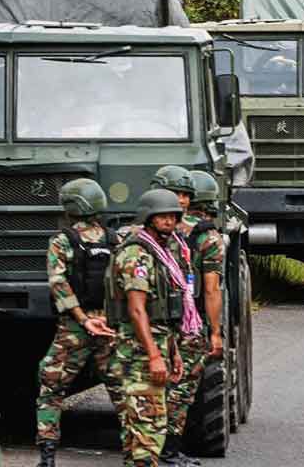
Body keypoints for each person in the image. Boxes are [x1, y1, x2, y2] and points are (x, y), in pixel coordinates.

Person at [35, 179, 124, 467]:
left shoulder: (62, 241)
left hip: (75, 327)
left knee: (51, 388)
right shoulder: (115, 239)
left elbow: (58, 284)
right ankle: (141, 452)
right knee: (123, 390)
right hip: (110, 325)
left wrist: (83, 319)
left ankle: (47, 456)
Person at [107, 189, 190, 467]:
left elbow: (162, 314)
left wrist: (172, 352)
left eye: (172, 216)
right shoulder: (137, 255)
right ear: (148, 218)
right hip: (138, 353)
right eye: (162, 216)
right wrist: (154, 355)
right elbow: (137, 309)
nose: (169, 221)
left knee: (138, 432)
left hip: (155, 345)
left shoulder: (160, 253)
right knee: (149, 427)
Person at [163, 170, 226, 466]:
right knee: (182, 386)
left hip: (147, 321)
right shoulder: (207, 235)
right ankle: (170, 450)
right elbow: (212, 290)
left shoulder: (137, 231)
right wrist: (216, 332)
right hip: (188, 321)